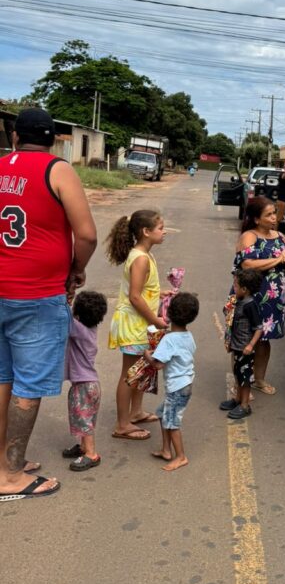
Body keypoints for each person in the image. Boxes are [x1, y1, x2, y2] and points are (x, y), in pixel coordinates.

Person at [0, 107, 97, 501]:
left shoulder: (2, 165)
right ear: (55, 139)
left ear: (15, 138)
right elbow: (87, 234)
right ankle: (10, 476)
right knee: (27, 385)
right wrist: (76, 270)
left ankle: (5, 462)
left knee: (3, 378)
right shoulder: (57, 171)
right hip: (36, 295)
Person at [105, 209, 168, 440]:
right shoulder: (140, 258)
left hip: (141, 324)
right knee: (129, 374)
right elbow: (134, 296)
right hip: (134, 324)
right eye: (161, 228)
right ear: (146, 231)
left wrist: (161, 293)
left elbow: (144, 290)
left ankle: (136, 412)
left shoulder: (145, 254)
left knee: (141, 369)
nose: (164, 232)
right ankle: (122, 424)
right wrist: (155, 320)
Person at [233, 197, 285, 394]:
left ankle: (259, 379)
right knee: (243, 338)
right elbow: (247, 265)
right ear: (256, 219)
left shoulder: (281, 237)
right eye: (268, 214)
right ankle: (241, 386)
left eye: (274, 213)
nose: (274, 218)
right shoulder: (249, 236)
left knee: (264, 338)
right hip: (251, 296)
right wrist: (279, 259)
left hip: (273, 298)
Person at [149, 292, 199, 471]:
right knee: (162, 414)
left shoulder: (169, 339)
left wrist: (147, 355)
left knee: (172, 421)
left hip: (177, 387)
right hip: (185, 384)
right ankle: (165, 450)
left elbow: (158, 365)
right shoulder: (188, 336)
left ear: (169, 313)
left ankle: (181, 456)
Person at [62, 290, 108, 472]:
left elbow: (64, 316)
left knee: (84, 420)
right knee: (85, 418)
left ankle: (91, 453)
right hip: (90, 384)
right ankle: (82, 447)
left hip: (84, 386)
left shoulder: (78, 329)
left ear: (78, 313)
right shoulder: (90, 329)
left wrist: (64, 299)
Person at [220, 269, 263, 420]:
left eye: (236, 286)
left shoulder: (250, 305)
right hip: (237, 346)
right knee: (238, 374)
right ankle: (238, 399)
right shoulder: (238, 301)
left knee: (245, 378)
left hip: (245, 348)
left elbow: (259, 328)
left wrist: (250, 345)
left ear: (245, 289)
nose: (234, 289)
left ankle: (245, 405)